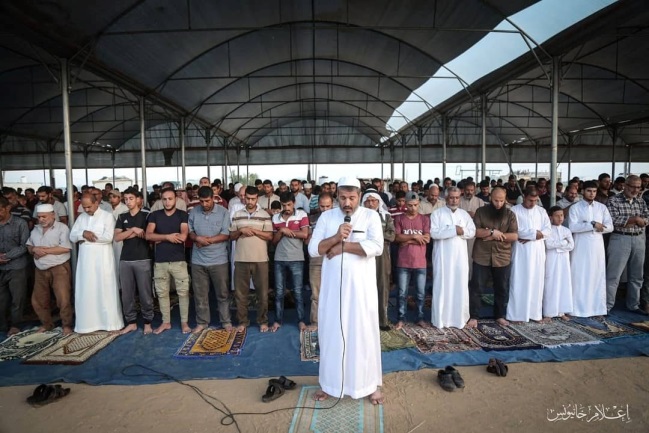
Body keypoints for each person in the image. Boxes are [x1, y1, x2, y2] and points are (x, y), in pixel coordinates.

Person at [308, 177, 384, 404]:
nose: (347, 203)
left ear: (359, 196)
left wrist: (343, 247)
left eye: (351, 198)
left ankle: (370, 385)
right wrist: (335, 237)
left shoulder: (371, 216)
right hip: (333, 292)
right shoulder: (326, 217)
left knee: (363, 336)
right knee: (332, 336)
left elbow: (377, 247)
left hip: (361, 292)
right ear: (336, 196)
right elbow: (314, 249)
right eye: (342, 198)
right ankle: (330, 385)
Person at [69, 193, 124, 333]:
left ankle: (110, 324)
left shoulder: (107, 216)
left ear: (96, 203)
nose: (86, 210)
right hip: (85, 262)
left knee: (105, 289)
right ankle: (87, 324)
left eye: (89, 206)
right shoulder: (81, 218)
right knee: (87, 289)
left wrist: (86, 237)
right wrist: (83, 233)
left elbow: (108, 237)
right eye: (84, 207)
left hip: (103, 259)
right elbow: (72, 236)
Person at [467, 186, 519, 328]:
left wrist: (496, 236)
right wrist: (491, 232)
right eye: (496, 200)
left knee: (501, 288)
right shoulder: (481, 211)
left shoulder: (510, 214)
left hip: (502, 256)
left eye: (501, 201)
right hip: (481, 256)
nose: (498, 204)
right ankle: (474, 316)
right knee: (477, 287)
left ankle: (500, 316)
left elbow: (514, 235)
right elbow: (475, 232)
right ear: (490, 198)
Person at [146, 188, 191, 334]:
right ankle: (166, 322)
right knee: (162, 293)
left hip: (178, 261)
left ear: (176, 199)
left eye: (170, 198)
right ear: (161, 200)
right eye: (164, 199)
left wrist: (158, 237)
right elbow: (148, 235)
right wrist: (167, 237)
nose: (167, 202)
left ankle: (184, 322)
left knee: (183, 293)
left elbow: (183, 236)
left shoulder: (182, 215)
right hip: (160, 261)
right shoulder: (154, 215)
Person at [429, 187, 475, 329]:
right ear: (446, 198)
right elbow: (434, 233)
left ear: (459, 198)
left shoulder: (464, 215)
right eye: (451, 197)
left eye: (456, 198)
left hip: (460, 258)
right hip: (443, 257)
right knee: (442, 285)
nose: (454, 200)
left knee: (459, 285)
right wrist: (454, 230)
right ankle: (440, 320)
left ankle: (459, 319)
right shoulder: (437, 214)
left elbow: (471, 232)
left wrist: (461, 231)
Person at [189, 186, 232, 333]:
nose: (204, 204)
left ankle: (226, 321)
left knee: (222, 293)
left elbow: (226, 234)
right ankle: (202, 322)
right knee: (200, 293)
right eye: (201, 201)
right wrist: (197, 238)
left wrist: (207, 241)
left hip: (219, 260)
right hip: (198, 261)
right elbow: (190, 232)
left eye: (207, 201)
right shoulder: (194, 211)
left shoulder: (223, 212)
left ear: (213, 198)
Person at [229, 186, 273, 332]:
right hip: (241, 259)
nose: (250, 201)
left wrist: (254, 230)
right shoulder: (237, 214)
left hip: (260, 260)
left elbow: (269, 236)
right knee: (241, 294)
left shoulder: (265, 215)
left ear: (257, 199)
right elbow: (231, 236)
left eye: (253, 199)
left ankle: (263, 321)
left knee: (262, 293)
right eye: (247, 198)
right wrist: (241, 230)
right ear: (244, 197)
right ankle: (243, 321)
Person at [26, 204, 74, 335]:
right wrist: (34, 249)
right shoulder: (35, 229)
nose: (41, 219)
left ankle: (67, 325)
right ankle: (47, 324)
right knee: (38, 299)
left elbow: (65, 248)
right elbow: (29, 246)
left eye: (44, 216)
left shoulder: (62, 228)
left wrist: (43, 250)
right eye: (39, 217)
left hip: (59, 268)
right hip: (40, 269)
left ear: (53, 215)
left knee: (63, 298)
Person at [605, 175, 649, 315]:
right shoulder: (614, 200)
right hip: (620, 238)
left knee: (637, 276)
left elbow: (646, 218)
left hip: (639, 239)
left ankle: (633, 305)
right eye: (632, 186)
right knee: (614, 275)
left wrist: (640, 220)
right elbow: (613, 219)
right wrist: (635, 219)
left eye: (638, 187)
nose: (635, 190)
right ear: (625, 185)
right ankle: (606, 306)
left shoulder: (640, 201)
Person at [569, 181, 613, 317]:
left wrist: (597, 227)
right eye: (589, 191)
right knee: (579, 276)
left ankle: (596, 309)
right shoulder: (575, 208)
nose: (592, 194)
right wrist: (592, 225)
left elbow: (610, 227)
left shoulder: (601, 208)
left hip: (597, 248)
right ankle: (577, 309)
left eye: (594, 191)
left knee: (596, 275)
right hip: (580, 247)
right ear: (583, 191)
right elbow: (572, 227)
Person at [507, 187, 551, 323]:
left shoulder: (541, 211)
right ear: (524, 197)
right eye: (530, 200)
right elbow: (514, 231)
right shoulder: (514, 211)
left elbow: (548, 231)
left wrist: (532, 235)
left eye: (535, 200)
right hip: (521, 251)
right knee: (519, 281)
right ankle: (516, 315)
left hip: (537, 251)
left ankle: (535, 314)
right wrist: (535, 234)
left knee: (536, 282)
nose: (533, 203)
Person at [114, 188, 153, 335]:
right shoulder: (121, 215)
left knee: (145, 293)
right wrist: (134, 230)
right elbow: (117, 237)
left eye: (131, 198)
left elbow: (147, 235)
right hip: (125, 259)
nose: (128, 201)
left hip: (143, 257)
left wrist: (128, 232)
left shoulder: (147, 215)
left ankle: (148, 322)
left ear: (138, 199)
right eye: (126, 199)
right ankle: (131, 322)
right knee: (127, 293)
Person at [271, 191, 310, 331]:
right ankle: (277, 321)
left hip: (297, 258)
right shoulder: (275, 217)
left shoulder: (301, 215)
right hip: (279, 258)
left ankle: (301, 321)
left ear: (294, 203)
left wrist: (286, 231)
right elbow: (274, 241)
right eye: (283, 205)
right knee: (279, 292)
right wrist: (281, 232)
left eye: (289, 204)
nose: (286, 208)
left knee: (298, 292)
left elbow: (305, 234)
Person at [394, 191, 430, 329]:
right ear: (405, 204)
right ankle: (401, 318)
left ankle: (420, 317)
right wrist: (415, 236)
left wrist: (406, 240)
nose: (413, 208)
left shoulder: (424, 219)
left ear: (418, 204)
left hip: (420, 262)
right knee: (402, 293)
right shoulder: (399, 219)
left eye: (415, 205)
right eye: (409, 205)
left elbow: (426, 239)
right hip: (403, 262)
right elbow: (397, 238)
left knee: (420, 293)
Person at [363, 191, 395, 331]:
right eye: (368, 201)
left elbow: (392, 235)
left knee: (382, 286)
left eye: (374, 201)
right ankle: (364, 321)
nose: (371, 203)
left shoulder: (386, 216)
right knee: (364, 288)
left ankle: (382, 321)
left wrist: (375, 235)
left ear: (379, 202)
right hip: (363, 254)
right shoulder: (359, 217)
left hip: (381, 255)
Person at [0, 197, 29, 336]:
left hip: (17, 266)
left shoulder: (20, 223)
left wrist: (6, 256)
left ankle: (15, 325)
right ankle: (3, 325)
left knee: (17, 298)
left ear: (7, 208)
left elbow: (24, 246)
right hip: (1, 268)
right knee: (2, 299)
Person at [306, 193, 334, 330]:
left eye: (328, 206)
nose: (324, 209)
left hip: (334, 258)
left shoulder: (339, 219)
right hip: (316, 259)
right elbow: (308, 240)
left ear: (333, 204)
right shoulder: (312, 219)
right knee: (316, 293)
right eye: (322, 206)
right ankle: (315, 322)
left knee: (335, 292)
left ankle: (334, 321)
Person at [543, 206, 574, 320]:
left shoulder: (567, 230)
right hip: (552, 260)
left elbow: (571, 246)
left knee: (563, 284)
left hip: (564, 261)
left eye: (561, 215)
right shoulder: (548, 230)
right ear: (551, 217)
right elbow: (548, 245)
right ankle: (549, 313)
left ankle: (561, 312)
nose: (560, 218)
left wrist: (559, 245)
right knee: (551, 284)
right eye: (557, 215)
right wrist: (563, 242)